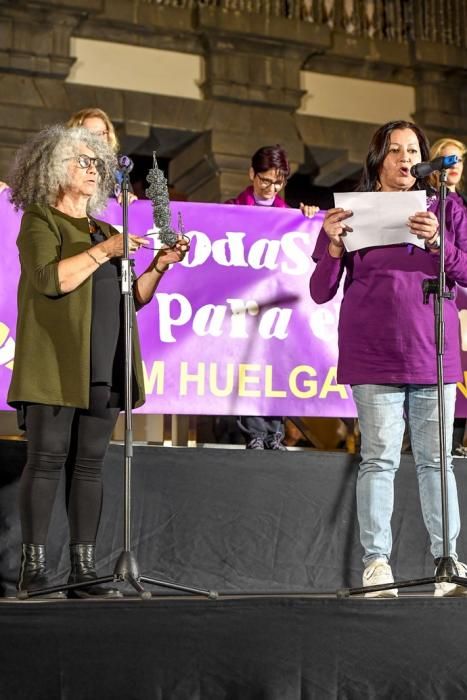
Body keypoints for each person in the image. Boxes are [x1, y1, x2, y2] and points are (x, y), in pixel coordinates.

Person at [7, 124, 188, 598]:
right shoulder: (41, 219)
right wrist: (105, 250)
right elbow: (50, 280)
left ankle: (82, 571)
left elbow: (136, 300)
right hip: (55, 362)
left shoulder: (109, 228)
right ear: (53, 168)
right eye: (81, 161)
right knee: (46, 462)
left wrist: (158, 267)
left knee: (89, 466)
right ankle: (34, 570)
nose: (92, 170)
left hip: (104, 362)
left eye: (96, 164)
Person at [310, 120, 467, 597]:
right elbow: (320, 291)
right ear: (378, 157)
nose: (404, 158)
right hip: (373, 351)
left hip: (432, 352)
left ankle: (448, 562)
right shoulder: (349, 212)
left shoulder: (444, 209)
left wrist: (440, 242)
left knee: (436, 460)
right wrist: (333, 244)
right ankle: (377, 564)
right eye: (395, 149)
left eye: (412, 150)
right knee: (379, 460)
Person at [225, 144, 319, 450]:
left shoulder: (288, 215)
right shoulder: (230, 209)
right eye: (265, 180)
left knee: (276, 368)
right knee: (249, 367)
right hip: (244, 305)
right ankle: (254, 431)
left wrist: (309, 219)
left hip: (278, 308)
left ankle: (275, 432)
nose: (271, 187)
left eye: (278, 182)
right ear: (252, 174)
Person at [429, 137, 467, 455]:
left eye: (459, 160)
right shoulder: (426, 202)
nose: (455, 166)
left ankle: (454, 445)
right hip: (440, 300)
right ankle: (444, 445)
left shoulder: (463, 205)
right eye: (448, 159)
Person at [66, 106, 138, 204]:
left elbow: (129, 201)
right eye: (90, 134)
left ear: (108, 136)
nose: (97, 139)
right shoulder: (67, 165)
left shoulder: (118, 169)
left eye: (101, 133)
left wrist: (128, 197)